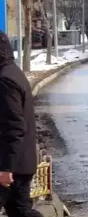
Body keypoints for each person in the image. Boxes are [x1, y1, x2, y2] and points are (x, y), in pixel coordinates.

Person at [0, 30, 43, 217]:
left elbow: (14, 126)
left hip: (12, 166)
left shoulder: (4, 80)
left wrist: (6, 167)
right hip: (21, 162)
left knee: (20, 212)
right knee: (19, 211)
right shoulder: (12, 73)